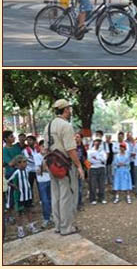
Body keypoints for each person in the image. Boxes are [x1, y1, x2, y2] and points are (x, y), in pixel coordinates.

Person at [45, 99, 85, 236]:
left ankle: (58, 225)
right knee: (66, 196)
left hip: (52, 164)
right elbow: (71, 149)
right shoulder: (66, 126)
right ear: (66, 109)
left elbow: (45, 148)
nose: (70, 111)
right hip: (65, 166)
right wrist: (79, 166)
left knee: (55, 195)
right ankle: (66, 227)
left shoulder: (48, 126)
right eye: (69, 108)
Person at [6, 155, 35, 238]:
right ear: (19, 163)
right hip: (20, 196)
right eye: (24, 162)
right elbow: (7, 181)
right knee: (19, 212)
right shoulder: (16, 172)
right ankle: (20, 229)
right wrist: (14, 186)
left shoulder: (27, 170)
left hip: (27, 195)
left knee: (29, 210)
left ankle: (31, 226)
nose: (26, 164)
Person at [32, 145, 52, 229]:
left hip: (50, 180)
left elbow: (44, 169)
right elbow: (40, 170)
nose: (44, 148)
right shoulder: (37, 156)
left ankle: (52, 216)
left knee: (51, 199)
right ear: (39, 147)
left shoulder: (50, 156)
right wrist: (45, 163)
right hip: (42, 181)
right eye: (43, 146)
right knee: (45, 200)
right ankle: (46, 218)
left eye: (45, 146)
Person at [87, 138, 107, 204]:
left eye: (99, 141)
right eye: (96, 141)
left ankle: (102, 198)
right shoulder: (90, 151)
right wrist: (99, 159)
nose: (97, 142)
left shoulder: (103, 151)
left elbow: (104, 159)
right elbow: (89, 160)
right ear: (93, 142)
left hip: (101, 167)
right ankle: (93, 199)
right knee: (93, 184)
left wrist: (96, 158)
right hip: (93, 168)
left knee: (102, 184)